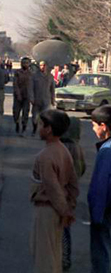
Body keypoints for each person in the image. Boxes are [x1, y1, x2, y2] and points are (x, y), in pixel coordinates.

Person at [30, 109, 79, 273]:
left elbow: (53, 189)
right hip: (58, 210)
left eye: (41, 125)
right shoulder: (64, 150)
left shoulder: (45, 155)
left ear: (48, 128)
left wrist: (65, 211)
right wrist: (69, 207)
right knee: (54, 255)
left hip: (48, 209)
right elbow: (73, 184)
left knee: (44, 259)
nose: (38, 128)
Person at [59, 117, 86, 271]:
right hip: (70, 194)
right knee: (65, 228)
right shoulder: (77, 148)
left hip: (60, 193)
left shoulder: (61, 147)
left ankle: (59, 257)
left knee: (57, 228)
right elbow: (82, 169)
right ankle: (66, 258)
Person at [89, 105, 111, 272]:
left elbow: (101, 186)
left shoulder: (106, 151)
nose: (93, 129)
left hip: (104, 212)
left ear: (104, 126)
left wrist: (97, 216)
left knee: (101, 253)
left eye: (94, 125)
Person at [32, 61, 56, 136]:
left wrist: (53, 100)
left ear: (46, 66)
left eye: (44, 65)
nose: (42, 67)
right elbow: (31, 88)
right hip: (36, 99)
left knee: (46, 117)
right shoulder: (35, 76)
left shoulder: (50, 76)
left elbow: (52, 89)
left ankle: (44, 132)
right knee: (35, 117)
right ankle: (34, 129)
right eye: (41, 65)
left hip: (46, 100)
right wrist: (31, 98)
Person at [13, 57, 34, 136]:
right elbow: (15, 84)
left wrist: (32, 97)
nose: (25, 64)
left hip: (27, 96)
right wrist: (18, 94)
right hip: (18, 96)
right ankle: (17, 123)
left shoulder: (31, 74)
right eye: (23, 62)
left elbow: (33, 86)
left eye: (26, 63)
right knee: (16, 112)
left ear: (29, 64)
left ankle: (24, 128)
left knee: (25, 113)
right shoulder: (17, 72)